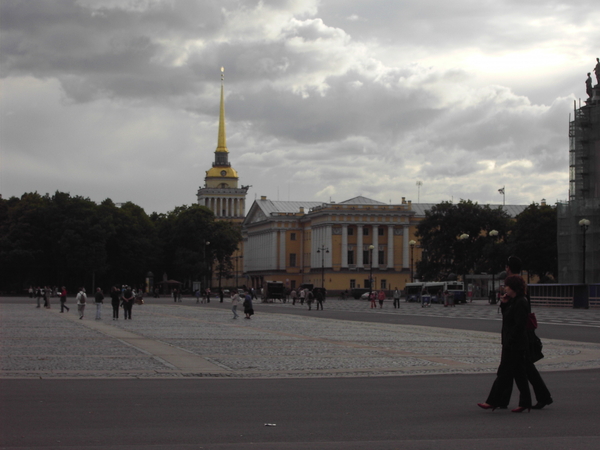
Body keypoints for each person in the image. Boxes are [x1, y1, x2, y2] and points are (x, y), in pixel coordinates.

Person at [499, 256, 554, 409]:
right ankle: (540, 396)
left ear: (508, 268)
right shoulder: (520, 283)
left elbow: (516, 313)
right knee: (520, 367)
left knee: (520, 367)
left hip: (517, 335)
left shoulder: (514, 285)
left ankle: (504, 399)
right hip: (518, 333)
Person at [478, 274, 532, 413]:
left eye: (507, 286)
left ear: (513, 287)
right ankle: (525, 402)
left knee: (503, 373)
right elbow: (507, 319)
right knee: (519, 374)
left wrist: (511, 340)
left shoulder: (521, 302)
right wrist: (504, 303)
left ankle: (492, 401)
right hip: (512, 343)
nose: (504, 288)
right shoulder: (514, 301)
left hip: (515, 344)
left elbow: (519, 325)